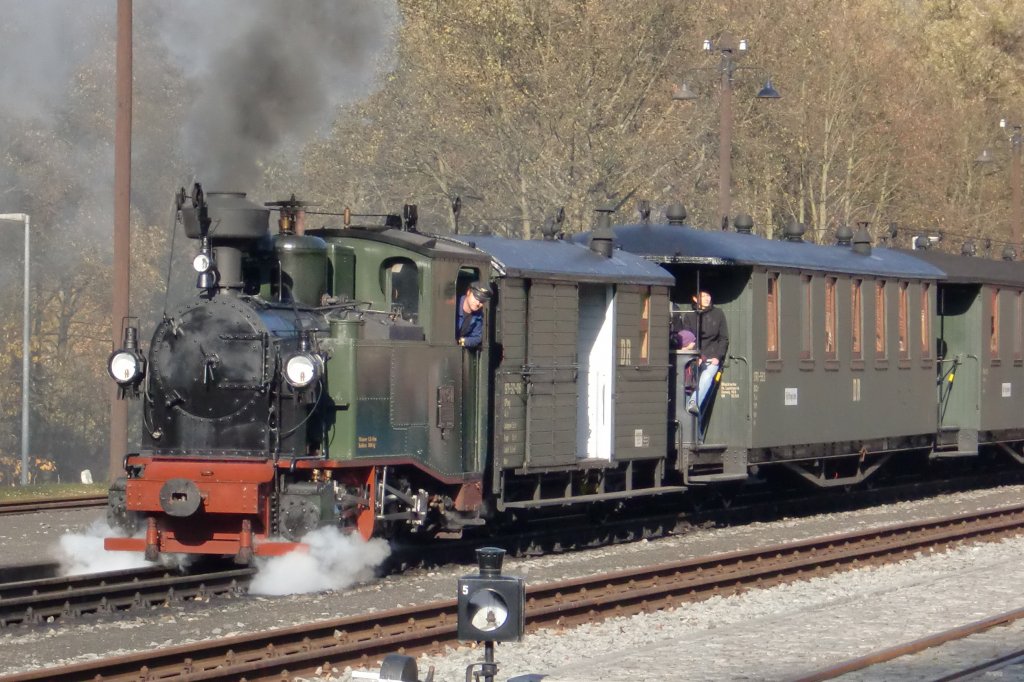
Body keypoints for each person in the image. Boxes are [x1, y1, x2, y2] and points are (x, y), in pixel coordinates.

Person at [681, 289, 728, 415]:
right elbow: (689, 339)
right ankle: (690, 422)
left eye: (708, 295)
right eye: (704, 296)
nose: (707, 298)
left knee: (706, 377)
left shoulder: (719, 314)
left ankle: (693, 403)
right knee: (689, 385)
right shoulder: (690, 317)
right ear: (695, 299)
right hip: (696, 358)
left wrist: (718, 357)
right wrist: (697, 356)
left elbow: (724, 338)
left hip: (712, 358)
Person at [456, 283, 491, 348]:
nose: (478, 303)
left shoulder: (478, 316)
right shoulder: (454, 305)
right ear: (468, 292)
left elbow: (476, 338)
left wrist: (460, 342)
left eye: (481, 301)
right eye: (476, 298)